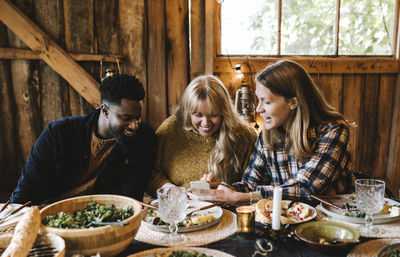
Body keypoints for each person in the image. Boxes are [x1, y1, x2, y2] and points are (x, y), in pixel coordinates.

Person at [189, 60, 354, 205]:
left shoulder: (334, 131)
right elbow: (249, 186)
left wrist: (240, 198)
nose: (259, 109)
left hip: (331, 224)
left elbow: (305, 188)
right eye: (258, 100)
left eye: (267, 102)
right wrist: (221, 189)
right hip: (283, 224)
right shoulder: (267, 135)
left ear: (293, 102)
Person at [10, 74, 157, 205]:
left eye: (138, 118)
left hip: (101, 221)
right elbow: (25, 193)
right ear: (105, 110)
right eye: (126, 118)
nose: (134, 125)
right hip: (47, 215)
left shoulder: (144, 139)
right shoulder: (58, 133)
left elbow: (129, 199)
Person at [146, 75, 257, 196]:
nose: (206, 123)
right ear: (188, 112)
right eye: (198, 115)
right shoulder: (170, 129)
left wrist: (222, 188)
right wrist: (170, 189)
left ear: (224, 112)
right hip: (178, 208)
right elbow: (150, 173)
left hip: (227, 211)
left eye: (213, 115)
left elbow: (252, 186)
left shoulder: (244, 136)